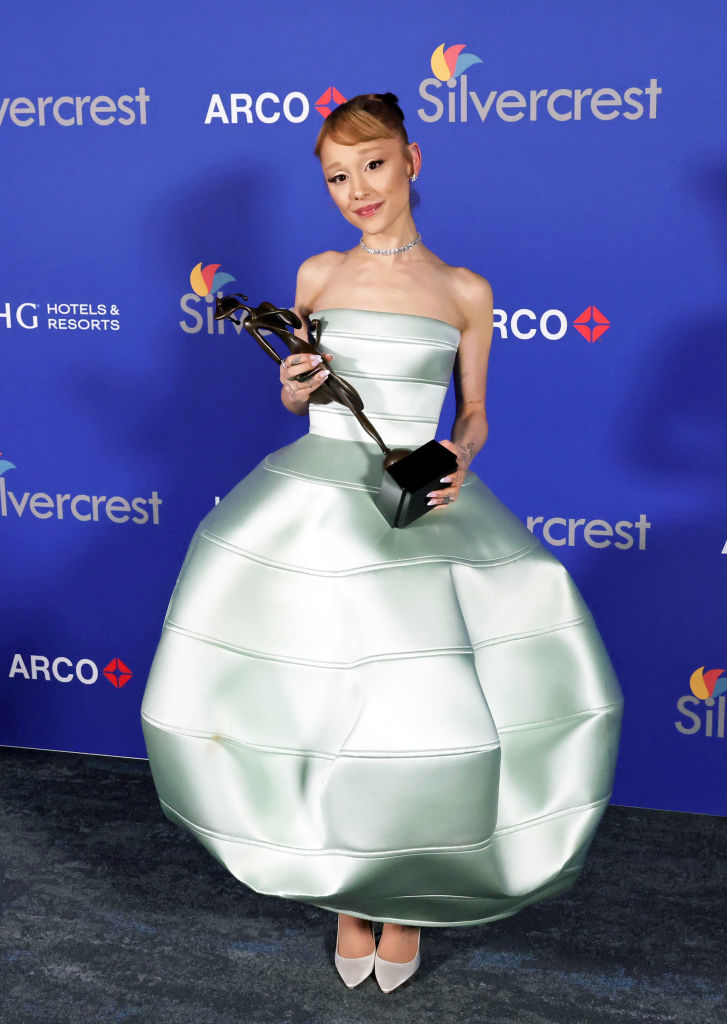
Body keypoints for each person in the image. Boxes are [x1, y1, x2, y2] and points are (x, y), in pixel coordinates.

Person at [140, 92, 623, 995]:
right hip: (318, 500)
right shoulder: (317, 273)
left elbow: (473, 415)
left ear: (411, 160)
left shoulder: (463, 290)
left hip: (417, 502)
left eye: (371, 165)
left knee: (417, 713)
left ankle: (400, 903)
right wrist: (292, 383)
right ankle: (346, 896)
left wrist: (459, 461)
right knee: (324, 704)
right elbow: (301, 395)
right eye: (334, 175)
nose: (355, 189)